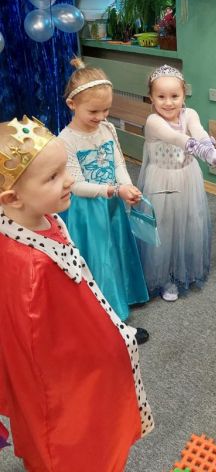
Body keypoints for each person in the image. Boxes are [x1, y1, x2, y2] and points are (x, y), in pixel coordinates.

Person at [0, 116, 153, 471]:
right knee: (71, 446)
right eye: (53, 177)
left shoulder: (38, 216)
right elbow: (39, 345)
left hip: (77, 358)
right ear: (12, 198)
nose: (69, 179)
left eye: (64, 169)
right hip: (63, 382)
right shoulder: (31, 267)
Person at [58, 57, 149, 342]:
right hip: (88, 211)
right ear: (72, 104)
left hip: (112, 202)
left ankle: (122, 295)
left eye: (106, 109)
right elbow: (76, 185)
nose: (101, 116)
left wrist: (127, 185)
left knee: (117, 248)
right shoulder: (66, 140)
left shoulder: (107, 129)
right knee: (100, 257)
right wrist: (113, 190)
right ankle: (108, 316)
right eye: (94, 111)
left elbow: (119, 162)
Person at [137, 64, 216, 301]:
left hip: (187, 177)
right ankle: (163, 276)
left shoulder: (190, 114)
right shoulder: (153, 121)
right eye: (161, 97)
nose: (168, 102)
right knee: (164, 225)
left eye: (174, 96)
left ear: (184, 95)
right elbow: (176, 138)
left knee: (189, 221)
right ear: (151, 98)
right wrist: (203, 152)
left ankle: (181, 269)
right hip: (162, 181)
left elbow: (198, 131)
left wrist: (210, 147)